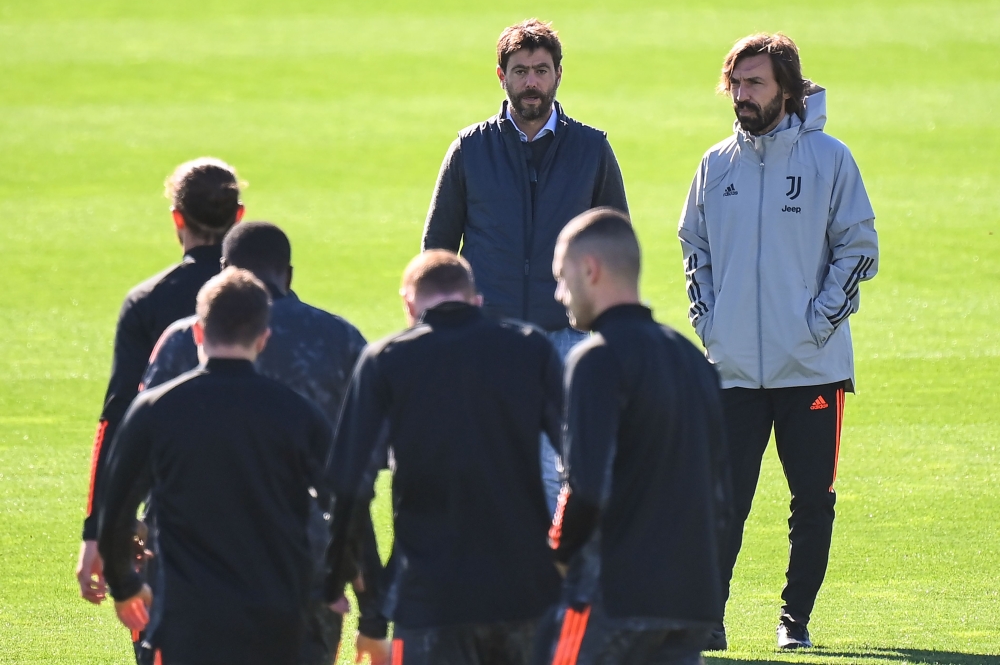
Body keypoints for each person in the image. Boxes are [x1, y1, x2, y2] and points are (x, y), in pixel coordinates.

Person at [678, 33, 879, 650]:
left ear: (786, 89)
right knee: (723, 502)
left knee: (812, 504)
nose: (741, 95)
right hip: (733, 370)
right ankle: (709, 618)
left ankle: (795, 620)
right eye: (735, 83)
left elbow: (860, 248)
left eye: (755, 83)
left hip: (813, 369)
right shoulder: (716, 165)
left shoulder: (831, 160)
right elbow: (695, 249)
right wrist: (711, 325)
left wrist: (816, 323)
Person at [139, 221, 387, 665]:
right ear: (287, 274)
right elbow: (355, 483)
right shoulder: (341, 340)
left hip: (187, 574)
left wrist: (119, 555)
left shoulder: (180, 341)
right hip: (301, 577)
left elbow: (137, 452)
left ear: (222, 274)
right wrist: (371, 605)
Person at [421, 18, 629, 509]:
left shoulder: (591, 148)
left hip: (569, 335)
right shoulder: (469, 149)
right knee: (489, 465)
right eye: (520, 71)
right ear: (501, 75)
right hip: (488, 336)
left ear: (558, 74)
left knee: (563, 473)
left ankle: (556, 579)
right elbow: (437, 250)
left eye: (540, 70)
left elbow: (618, 242)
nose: (530, 82)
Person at [325, 250, 563, 665]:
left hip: (429, 595)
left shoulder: (387, 359)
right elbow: (583, 463)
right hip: (524, 591)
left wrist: (339, 588)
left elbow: (349, 484)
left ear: (408, 303)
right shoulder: (530, 349)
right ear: (476, 300)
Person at [98, 268, 333, 665]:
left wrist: (124, 586)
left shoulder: (156, 411)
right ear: (263, 339)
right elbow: (346, 503)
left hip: (187, 625)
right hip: (280, 624)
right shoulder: (299, 415)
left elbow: (116, 513)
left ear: (197, 334)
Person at [537, 208, 730, 665]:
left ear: (590, 270)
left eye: (563, 278)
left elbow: (583, 486)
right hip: (689, 602)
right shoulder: (692, 361)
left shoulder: (596, 360)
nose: (560, 294)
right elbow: (721, 494)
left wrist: (558, 556)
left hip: (613, 600)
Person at [77, 158, 244, 610]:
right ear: (239, 215)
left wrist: (98, 531)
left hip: (171, 512)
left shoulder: (148, 301)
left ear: (177, 218)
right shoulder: (265, 298)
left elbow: (117, 419)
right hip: (260, 508)